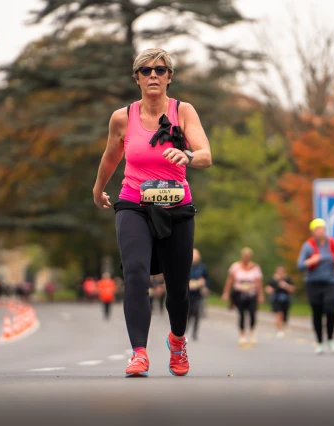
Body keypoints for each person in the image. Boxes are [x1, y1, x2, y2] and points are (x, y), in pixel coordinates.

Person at [92, 47, 212, 377]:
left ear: (170, 77)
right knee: (134, 274)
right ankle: (139, 353)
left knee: (177, 286)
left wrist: (187, 156)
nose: (153, 75)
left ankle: (176, 340)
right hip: (134, 202)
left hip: (176, 206)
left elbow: (205, 154)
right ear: (137, 78)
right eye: (146, 70)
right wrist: (98, 188)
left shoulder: (183, 111)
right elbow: (110, 156)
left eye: (160, 70)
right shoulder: (122, 117)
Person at [297, 218, 334, 355]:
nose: (320, 231)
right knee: (317, 312)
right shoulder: (308, 246)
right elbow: (299, 265)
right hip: (313, 282)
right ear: (313, 232)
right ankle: (319, 342)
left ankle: (331, 339)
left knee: (330, 308)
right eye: (317, 229)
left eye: (322, 229)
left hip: (330, 281)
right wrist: (311, 261)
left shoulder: (332, 243)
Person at [222, 248, 265, 346]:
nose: (246, 258)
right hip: (239, 294)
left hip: (251, 294)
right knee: (241, 314)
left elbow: (259, 282)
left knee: (252, 314)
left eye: (248, 256)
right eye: (244, 256)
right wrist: (226, 293)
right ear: (242, 256)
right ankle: (242, 335)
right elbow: (230, 280)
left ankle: (252, 333)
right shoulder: (235, 266)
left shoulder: (255, 267)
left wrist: (260, 295)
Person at [266, 265, 295, 339]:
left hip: (285, 299)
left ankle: (283, 326)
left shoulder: (287, 279)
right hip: (276, 299)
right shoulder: (273, 279)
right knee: (278, 314)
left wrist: (286, 286)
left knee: (285, 315)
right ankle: (279, 330)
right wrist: (271, 290)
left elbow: (292, 289)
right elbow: (268, 288)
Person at [187, 248, 209, 341]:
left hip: (197, 293)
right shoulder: (185, 266)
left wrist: (204, 284)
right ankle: (184, 331)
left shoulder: (202, 267)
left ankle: (194, 333)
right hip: (187, 293)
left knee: (196, 312)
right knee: (187, 313)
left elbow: (206, 279)